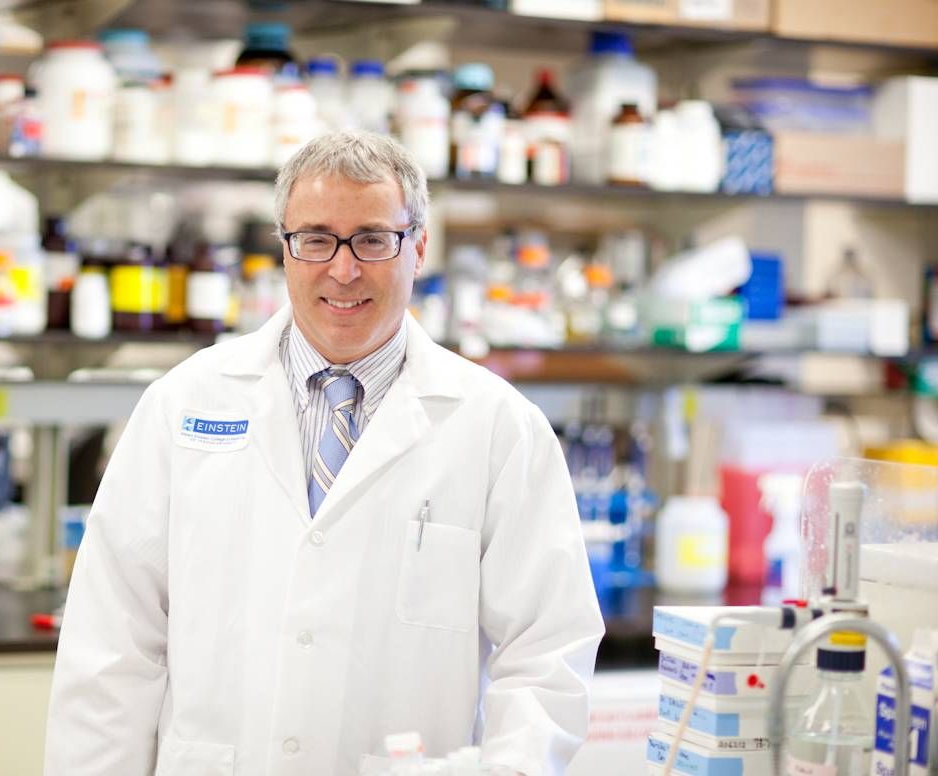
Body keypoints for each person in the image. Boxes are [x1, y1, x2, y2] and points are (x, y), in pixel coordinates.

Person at [44, 130, 604, 776]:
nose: (343, 269)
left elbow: (547, 655)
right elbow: (111, 649)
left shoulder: (500, 430)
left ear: (418, 247)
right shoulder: (182, 408)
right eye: (315, 239)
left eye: (372, 239)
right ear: (284, 248)